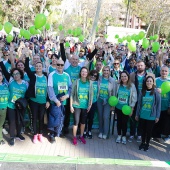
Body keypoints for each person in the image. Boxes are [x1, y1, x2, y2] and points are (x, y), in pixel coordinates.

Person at [25, 55, 50, 143]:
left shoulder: (46, 76)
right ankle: (35, 135)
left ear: (42, 67)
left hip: (43, 102)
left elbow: (49, 89)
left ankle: (40, 134)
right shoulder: (32, 75)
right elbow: (27, 68)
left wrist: (48, 101)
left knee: (41, 118)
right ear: (35, 67)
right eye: (37, 66)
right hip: (33, 101)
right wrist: (27, 56)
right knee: (34, 118)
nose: (38, 67)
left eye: (40, 66)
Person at [129, 60, 155, 143]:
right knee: (133, 117)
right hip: (134, 99)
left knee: (141, 117)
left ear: (145, 66)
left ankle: (139, 134)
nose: (140, 67)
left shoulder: (150, 75)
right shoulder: (132, 75)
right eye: (138, 65)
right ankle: (132, 133)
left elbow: (154, 86)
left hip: (145, 99)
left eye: (141, 65)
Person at [48, 59, 72, 143]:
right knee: (53, 118)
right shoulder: (52, 75)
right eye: (58, 65)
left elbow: (70, 87)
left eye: (62, 65)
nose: (60, 66)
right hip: (55, 101)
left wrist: (67, 95)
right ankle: (52, 134)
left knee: (61, 118)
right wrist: (55, 100)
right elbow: (50, 89)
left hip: (63, 101)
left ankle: (58, 132)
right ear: (56, 65)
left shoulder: (67, 75)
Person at [135, 76, 161, 151]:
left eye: (150, 81)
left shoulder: (156, 92)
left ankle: (147, 144)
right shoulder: (142, 92)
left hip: (151, 116)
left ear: (153, 83)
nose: (149, 82)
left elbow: (158, 105)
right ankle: (142, 143)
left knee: (148, 131)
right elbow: (139, 104)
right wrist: (137, 114)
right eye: (147, 81)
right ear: (145, 82)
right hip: (143, 114)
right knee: (143, 130)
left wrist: (157, 116)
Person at [70, 67, 93, 145]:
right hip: (76, 105)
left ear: (87, 73)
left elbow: (91, 95)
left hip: (85, 106)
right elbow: (72, 94)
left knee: (83, 122)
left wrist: (90, 105)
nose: (84, 73)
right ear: (80, 73)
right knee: (76, 122)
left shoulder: (90, 83)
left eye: (85, 72)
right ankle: (74, 137)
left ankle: (81, 136)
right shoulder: (76, 82)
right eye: (82, 71)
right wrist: (71, 106)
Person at [7, 68, 28, 146]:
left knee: (19, 121)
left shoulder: (25, 83)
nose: (16, 76)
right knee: (12, 122)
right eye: (14, 74)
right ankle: (12, 137)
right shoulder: (11, 81)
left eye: (17, 74)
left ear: (20, 74)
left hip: (20, 106)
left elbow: (27, 95)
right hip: (11, 105)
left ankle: (18, 134)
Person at [115, 71, 137, 144]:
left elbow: (134, 98)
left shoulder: (132, 86)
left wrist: (132, 109)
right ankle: (119, 135)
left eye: (125, 76)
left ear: (128, 77)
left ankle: (124, 136)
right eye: (122, 76)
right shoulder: (118, 85)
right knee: (119, 122)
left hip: (126, 109)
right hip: (118, 107)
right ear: (120, 78)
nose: (123, 78)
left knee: (124, 123)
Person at [97, 66, 117, 139]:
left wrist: (113, 105)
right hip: (99, 100)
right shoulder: (99, 79)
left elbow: (114, 93)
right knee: (100, 116)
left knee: (106, 117)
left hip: (108, 101)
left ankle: (106, 132)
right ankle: (101, 131)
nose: (106, 72)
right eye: (104, 70)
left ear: (109, 71)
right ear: (102, 71)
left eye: (107, 70)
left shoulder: (112, 80)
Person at [152, 66, 170, 141]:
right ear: (160, 72)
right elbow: (151, 90)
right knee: (156, 121)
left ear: (168, 72)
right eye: (162, 71)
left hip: (166, 106)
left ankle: (166, 135)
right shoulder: (156, 80)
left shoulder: (169, 81)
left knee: (166, 122)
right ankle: (156, 135)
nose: (164, 73)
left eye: (166, 71)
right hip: (157, 106)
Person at [84, 70, 99, 139]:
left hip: (93, 103)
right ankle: (84, 130)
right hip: (86, 103)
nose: (93, 76)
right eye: (92, 75)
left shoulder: (97, 83)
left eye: (95, 76)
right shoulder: (86, 82)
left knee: (91, 118)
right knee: (85, 117)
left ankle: (89, 131)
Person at [0, 70, 9, 145]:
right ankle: (0, 139)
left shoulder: (6, 85)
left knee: (1, 124)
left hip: (4, 108)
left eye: (0, 75)